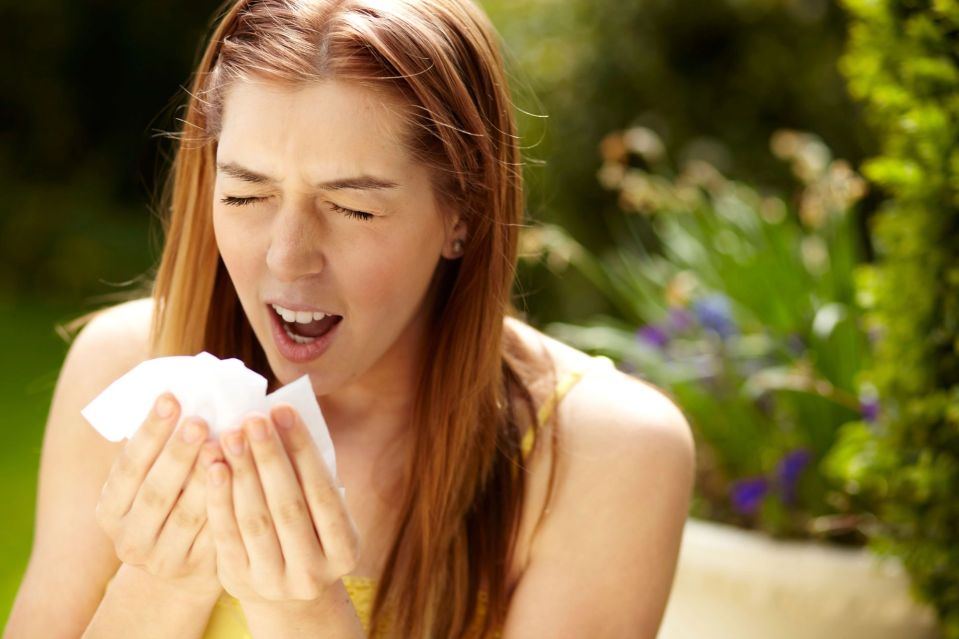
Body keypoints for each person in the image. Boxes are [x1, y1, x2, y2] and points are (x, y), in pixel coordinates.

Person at [5, 0, 695, 637]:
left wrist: (301, 609)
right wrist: (160, 586)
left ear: (464, 213)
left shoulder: (603, 453)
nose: (288, 257)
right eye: (246, 195)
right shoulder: (131, 378)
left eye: (353, 208)